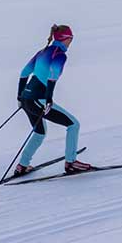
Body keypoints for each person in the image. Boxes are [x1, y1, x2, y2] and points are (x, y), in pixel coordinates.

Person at [15, 24, 93, 176]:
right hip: (39, 99)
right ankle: (71, 163)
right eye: (71, 39)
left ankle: (22, 165)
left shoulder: (42, 52)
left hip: (26, 99)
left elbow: (24, 73)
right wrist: (49, 99)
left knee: (39, 133)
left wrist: (20, 96)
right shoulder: (59, 55)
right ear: (65, 39)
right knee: (73, 125)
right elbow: (52, 76)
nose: (71, 42)